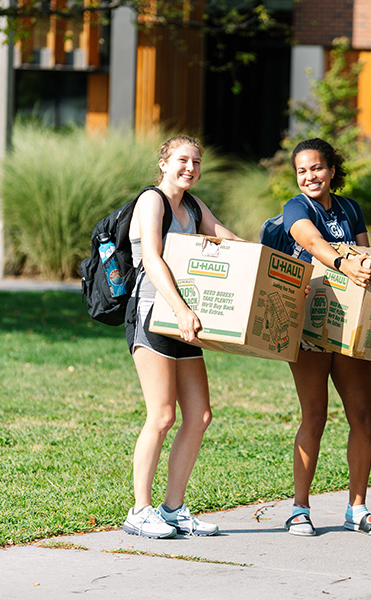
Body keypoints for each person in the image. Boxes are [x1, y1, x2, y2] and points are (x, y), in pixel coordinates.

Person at [122, 135, 242, 539]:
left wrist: (268, 261)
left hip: (183, 321)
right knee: (162, 415)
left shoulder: (192, 205)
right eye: (182, 160)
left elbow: (227, 239)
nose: (190, 167)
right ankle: (139, 511)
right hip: (154, 314)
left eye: (196, 161)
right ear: (164, 163)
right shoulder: (152, 201)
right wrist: (181, 310)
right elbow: (153, 259)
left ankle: (172, 508)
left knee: (200, 416)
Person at [281, 138, 371, 538]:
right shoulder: (296, 207)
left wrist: (363, 265)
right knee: (314, 415)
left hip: (351, 328)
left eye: (316, 168)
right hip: (310, 324)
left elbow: (369, 256)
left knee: (363, 417)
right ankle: (299, 508)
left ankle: (357, 508)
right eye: (302, 170)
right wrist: (346, 263)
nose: (309, 176)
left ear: (331, 169)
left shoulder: (350, 208)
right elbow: (310, 241)